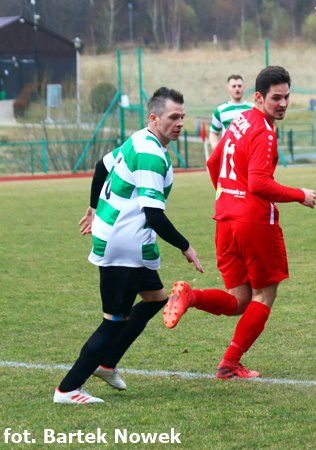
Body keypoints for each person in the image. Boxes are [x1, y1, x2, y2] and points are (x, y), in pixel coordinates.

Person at [164, 66, 316, 379]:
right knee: (264, 296)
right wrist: (299, 194)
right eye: (276, 98)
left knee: (239, 300)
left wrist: (228, 197)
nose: (283, 103)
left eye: (287, 97)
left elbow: (213, 162)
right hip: (254, 223)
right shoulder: (264, 131)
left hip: (225, 219)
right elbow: (259, 184)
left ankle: (191, 296)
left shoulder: (240, 121)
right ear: (259, 97)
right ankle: (230, 363)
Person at [54, 87, 204, 404]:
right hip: (124, 244)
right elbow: (154, 214)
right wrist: (186, 246)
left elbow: (101, 166)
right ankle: (68, 389)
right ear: (154, 118)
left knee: (155, 299)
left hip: (127, 238)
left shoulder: (140, 139)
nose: (180, 123)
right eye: (173, 117)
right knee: (113, 322)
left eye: (182, 117)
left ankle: (107, 364)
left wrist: (93, 207)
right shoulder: (150, 153)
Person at [208, 74, 254, 149]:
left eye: (239, 86)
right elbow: (213, 133)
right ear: (228, 88)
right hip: (229, 153)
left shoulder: (253, 109)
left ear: (244, 87)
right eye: (234, 86)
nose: (237, 88)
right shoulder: (220, 111)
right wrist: (216, 149)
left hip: (248, 153)